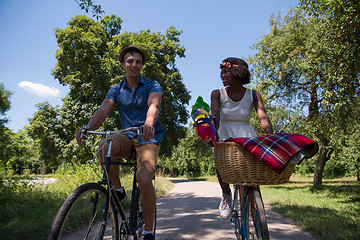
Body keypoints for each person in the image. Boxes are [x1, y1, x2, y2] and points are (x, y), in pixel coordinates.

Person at [76, 46, 162, 240]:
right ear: (123, 64)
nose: (134, 65)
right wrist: (87, 128)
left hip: (148, 136)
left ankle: (148, 230)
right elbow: (103, 110)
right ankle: (118, 190)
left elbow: (154, 105)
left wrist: (149, 123)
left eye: (138, 62)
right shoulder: (116, 89)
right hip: (127, 135)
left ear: (142, 65)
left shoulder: (151, 84)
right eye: (130, 61)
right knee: (104, 146)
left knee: (145, 178)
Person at [210, 57, 273, 220]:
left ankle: (256, 212)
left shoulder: (253, 94)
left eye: (226, 72)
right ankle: (226, 194)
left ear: (238, 73)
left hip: (247, 135)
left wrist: (270, 136)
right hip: (225, 133)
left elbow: (263, 116)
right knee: (219, 158)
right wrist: (213, 136)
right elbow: (215, 116)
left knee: (252, 179)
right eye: (221, 72)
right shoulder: (218, 94)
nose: (222, 75)